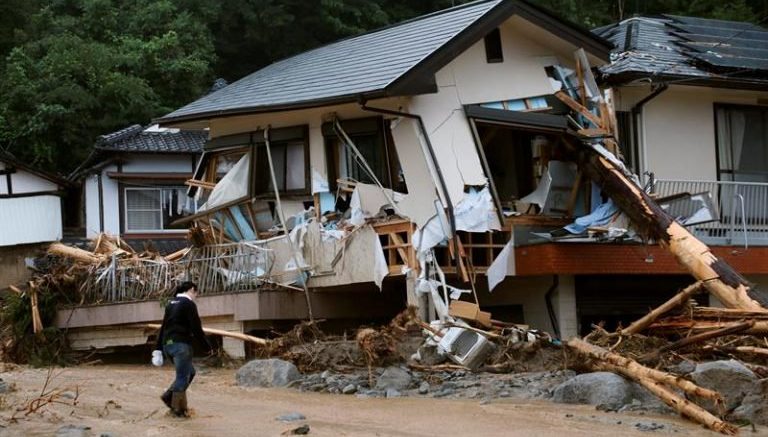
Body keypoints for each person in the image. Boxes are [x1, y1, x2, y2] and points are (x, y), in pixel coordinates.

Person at [153, 281, 211, 417]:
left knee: (189, 372)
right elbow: (196, 328)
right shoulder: (188, 304)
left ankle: (169, 396)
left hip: (168, 346)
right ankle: (178, 411)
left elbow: (163, 328)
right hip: (181, 346)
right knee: (182, 377)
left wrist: (158, 349)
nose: (196, 296)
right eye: (196, 293)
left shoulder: (170, 304)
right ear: (191, 289)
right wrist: (207, 347)